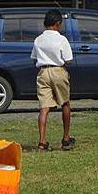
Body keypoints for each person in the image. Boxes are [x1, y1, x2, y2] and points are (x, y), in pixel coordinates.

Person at [31, 9, 75, 151]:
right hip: (58, 70)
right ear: (58, 24)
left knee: (44, 108)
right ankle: (66, 138)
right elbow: (68, 60)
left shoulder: (38, 39)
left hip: (43, 72)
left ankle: (42, 141)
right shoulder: (62, 39)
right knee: (65, 103)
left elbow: (34, 59)